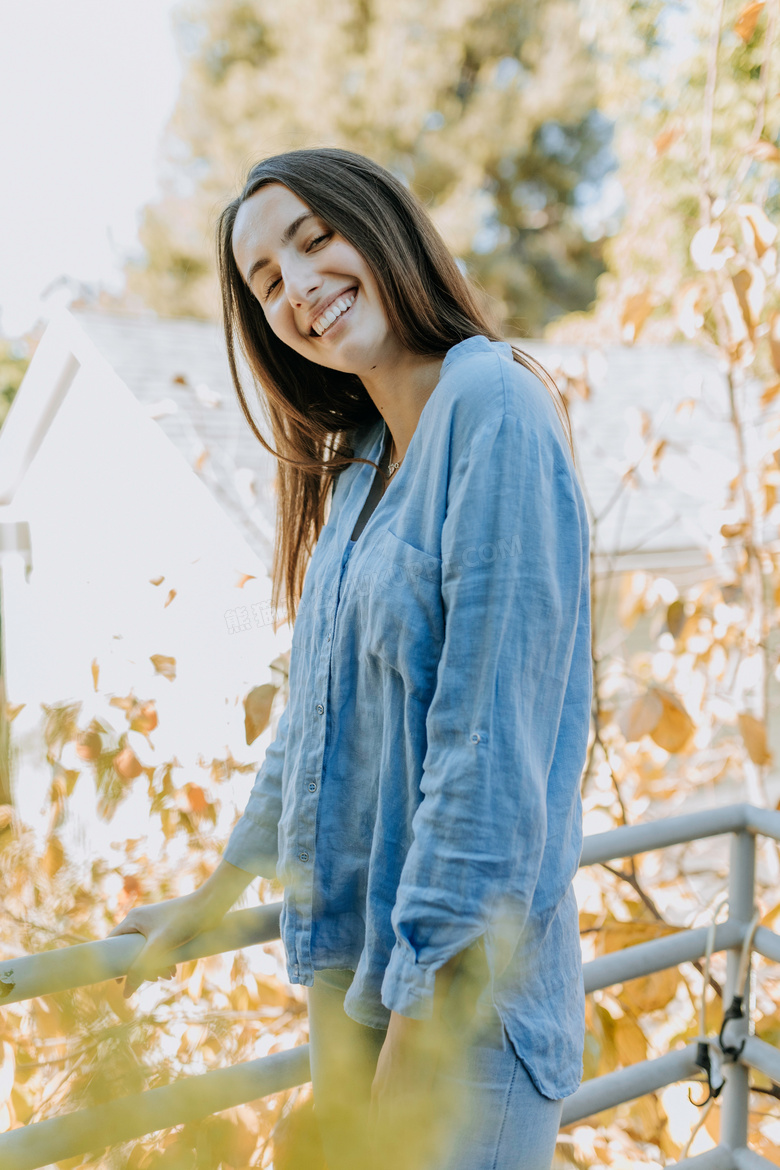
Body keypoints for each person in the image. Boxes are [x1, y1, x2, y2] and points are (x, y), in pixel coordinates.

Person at [109, 147, 592, 1170]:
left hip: (454, 1011)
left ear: (382, 227)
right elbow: (315, 723)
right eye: (267, 282)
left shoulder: (493, 409)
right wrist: (215, 894)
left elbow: (487, 766)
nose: (298, 289)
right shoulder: (363, 462)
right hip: (359, 982)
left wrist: (406, 1056)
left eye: (313, 239)